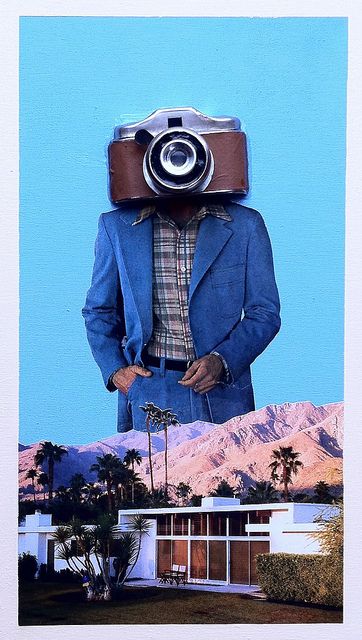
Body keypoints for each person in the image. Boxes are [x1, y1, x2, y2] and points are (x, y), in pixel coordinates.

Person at [82, 195, 281, 432]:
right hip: (149, 386)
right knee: (157, 470)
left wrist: (222, 360)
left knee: (227, 469)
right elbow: (99, 310)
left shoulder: (246, 224)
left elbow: (264, 312)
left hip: (224, 393)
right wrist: (115, 371)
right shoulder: (116, 226)